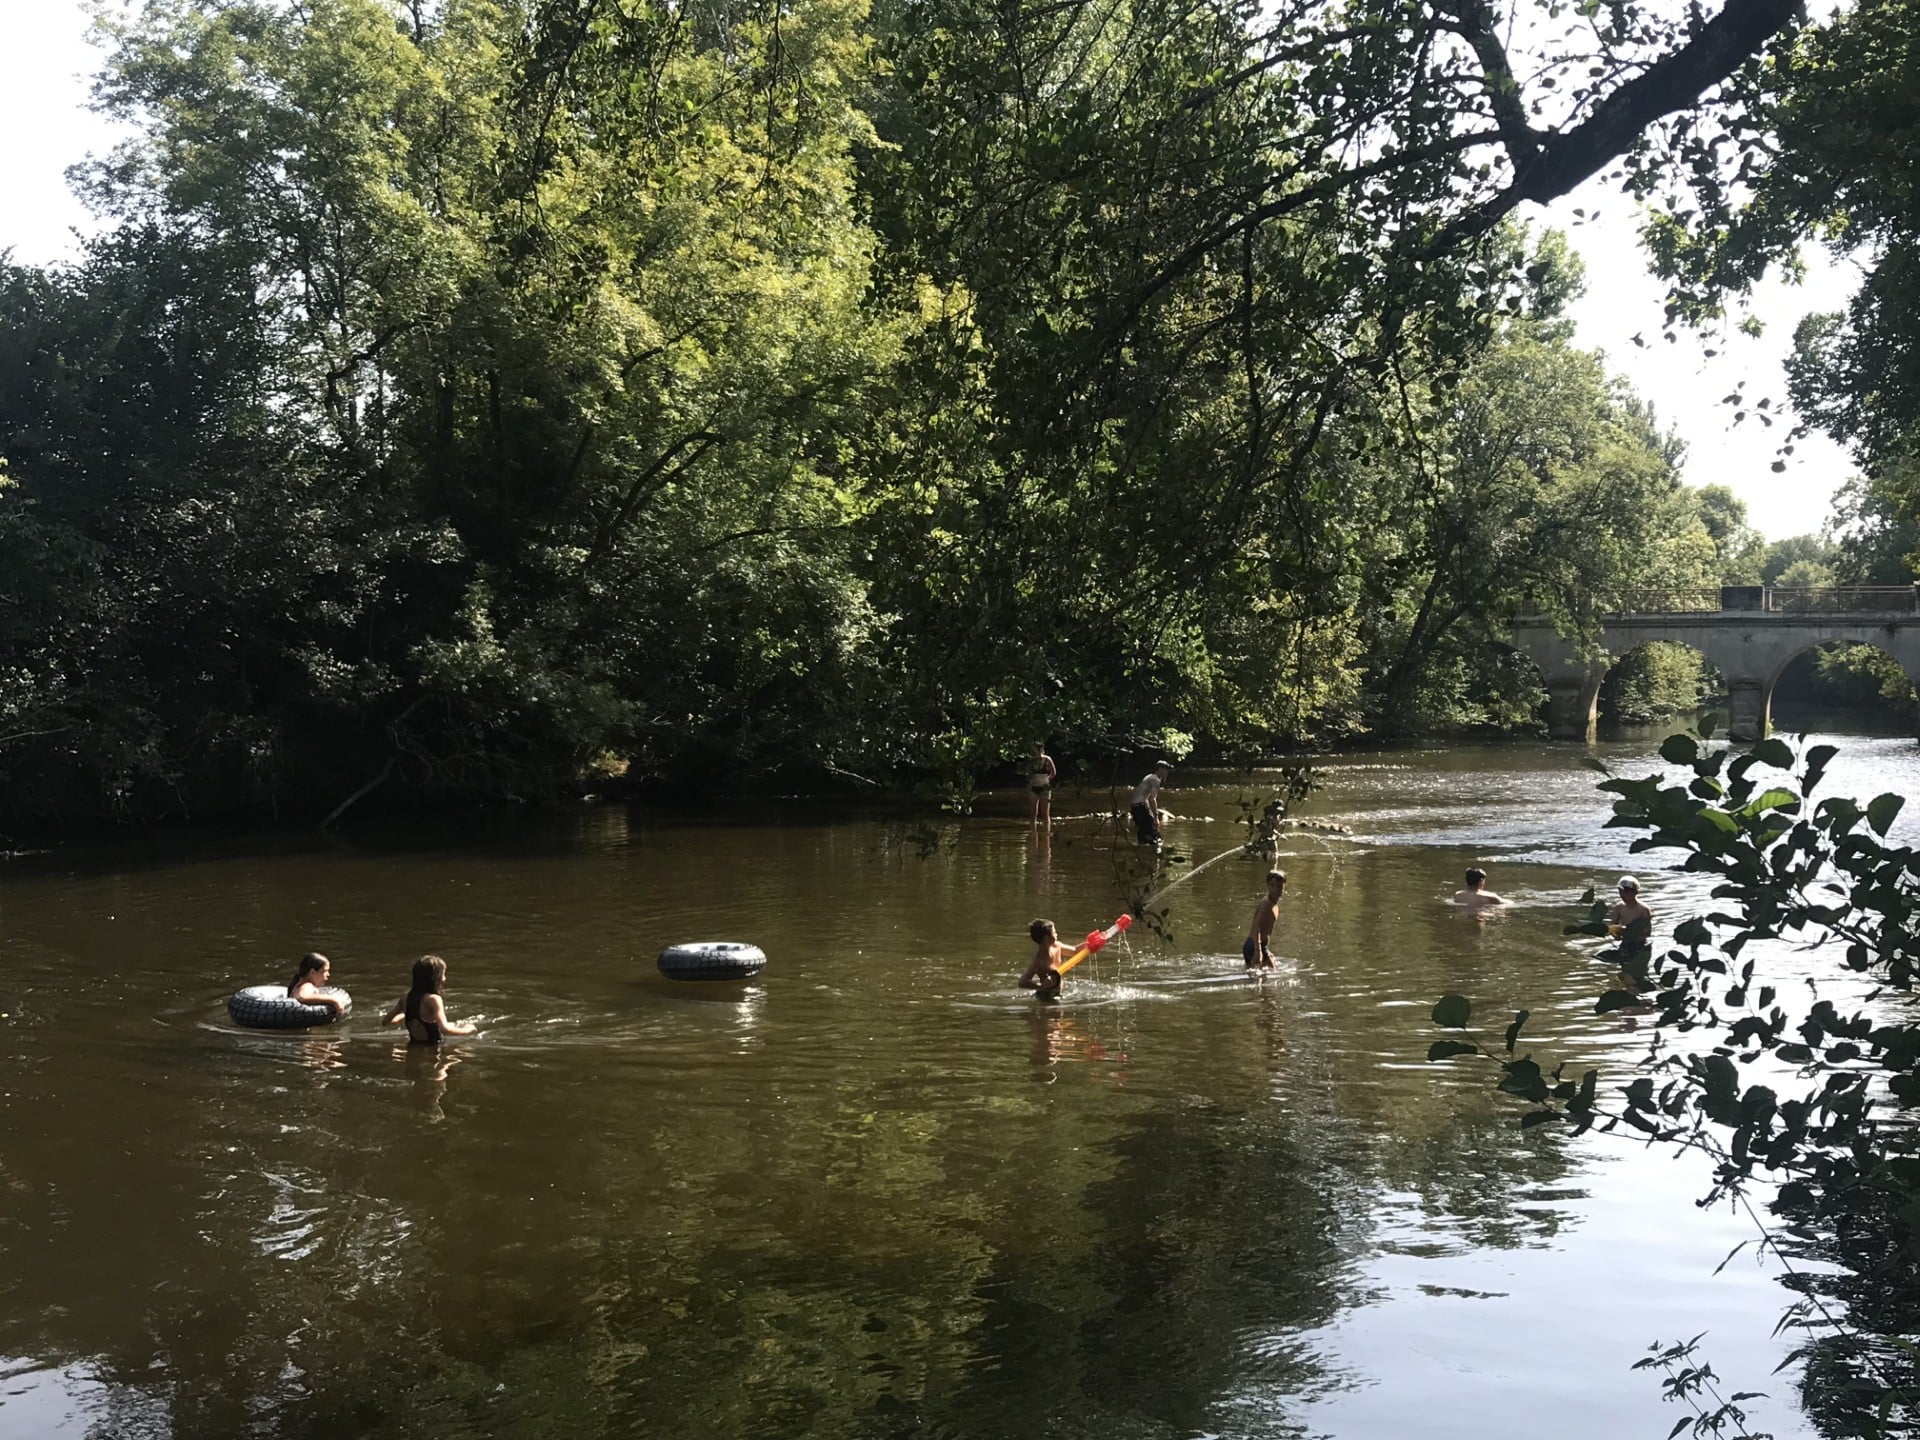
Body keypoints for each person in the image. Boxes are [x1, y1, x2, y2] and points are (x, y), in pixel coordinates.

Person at [384, 954, 476, 1045]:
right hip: (434, 1051)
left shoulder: (405, 998)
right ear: (436, 977)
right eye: (443, 974)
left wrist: (408, 1014)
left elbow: (386, 1021)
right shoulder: (433, 1000)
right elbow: (445, 1029)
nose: (444, 979)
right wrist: (468, 1029)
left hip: (413, 1046)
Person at [1244, 870, 1286, 969]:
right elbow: (1256, 927)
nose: (1276, 889)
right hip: (1254, 945)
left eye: (1280, 886)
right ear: (1267, 886)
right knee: (1268, 975)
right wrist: (1258, 950)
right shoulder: (1266, 904)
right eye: (1272, 886)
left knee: (1258, 978)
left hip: (1258, 945)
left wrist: (1266, 949)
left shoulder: (1273, 903)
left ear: (1284, 887)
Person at [1019, 919, 1069, 999]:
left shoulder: (1057, 946)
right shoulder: (1038, 960)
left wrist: (1090, 944)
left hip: (1058, 993)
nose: (1057, 934)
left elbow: (1075, 950)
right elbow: (1022, 982)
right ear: (1047, 938)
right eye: (1054, 932)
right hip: (1045, 997)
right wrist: (1041, 986)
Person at [287, 951, 347, 1017]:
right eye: (325, 971)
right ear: (312, 972)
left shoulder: (301, 983)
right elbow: (303, 997)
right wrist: (334, 1000)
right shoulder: (307, 985)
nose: (328, 974)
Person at [1131, 761, 1171, 846]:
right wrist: (1155, 817)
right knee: (1155, 837)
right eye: (1165, 769)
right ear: (1159, 769)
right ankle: (1156, 857)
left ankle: (1142, 855)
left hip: (1135, 808)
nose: (1167, 772)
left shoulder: (1149, 776)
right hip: (1141, 807)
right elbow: (1152, 799)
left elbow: (1144, 796)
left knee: (1142, 837)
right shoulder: (1155, 779)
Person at [1609, 876, 1653, 949]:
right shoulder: (1618, 907)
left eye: (1626, 891)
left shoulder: (1644, 909)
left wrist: (1633, 936)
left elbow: (1647, 932)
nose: (1622, 894)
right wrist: (1616, 935)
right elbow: (1612, 926)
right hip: (1624, 943)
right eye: (1620, 891)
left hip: (1640, 944)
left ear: (1635, 892)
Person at [1027, 742, 1058, 831]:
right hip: (1033, 788)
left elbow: (1053, 773)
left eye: (1036, 749)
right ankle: (1032, 835)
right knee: (1032, 813)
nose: (1034, 751)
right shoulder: (1031, 760)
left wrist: (1047, 780)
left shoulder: (1047, 759)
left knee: (1045, 813)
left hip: (1044, 788)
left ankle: (1046, 836)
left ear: (1040, 749)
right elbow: (1028, 774)